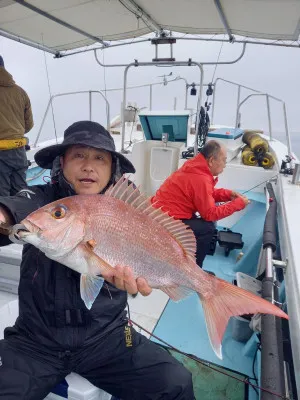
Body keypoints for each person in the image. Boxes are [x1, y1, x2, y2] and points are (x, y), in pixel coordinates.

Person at [0, 121, 194, 400]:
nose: (89, 166)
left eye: (99, 158)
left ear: (112, 169)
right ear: (61, 164)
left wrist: (147, 276)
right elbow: (19, 206)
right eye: (78, 155)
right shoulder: (45, 200)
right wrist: (5, 215)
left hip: (109, 339)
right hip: (35, 341)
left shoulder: (124, 210)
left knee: (176, 383)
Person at [151, 140, 250, 267]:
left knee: (202, 222)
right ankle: (194, 270)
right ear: (212, 160)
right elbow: (209, 214)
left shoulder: (195, 167)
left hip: (162, 214)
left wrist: (228, 194)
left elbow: (204, 193)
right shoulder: (200, 177)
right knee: (208, 227)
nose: (225, 165)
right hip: (165, 221)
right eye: (224, 160)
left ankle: (185, 256)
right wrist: (238, 204)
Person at [0, 55, 34, 196]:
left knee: (2, 195)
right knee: (21, 191)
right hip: (19, 150)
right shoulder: (20, 92)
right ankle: (22, 216)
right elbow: (28, 125)